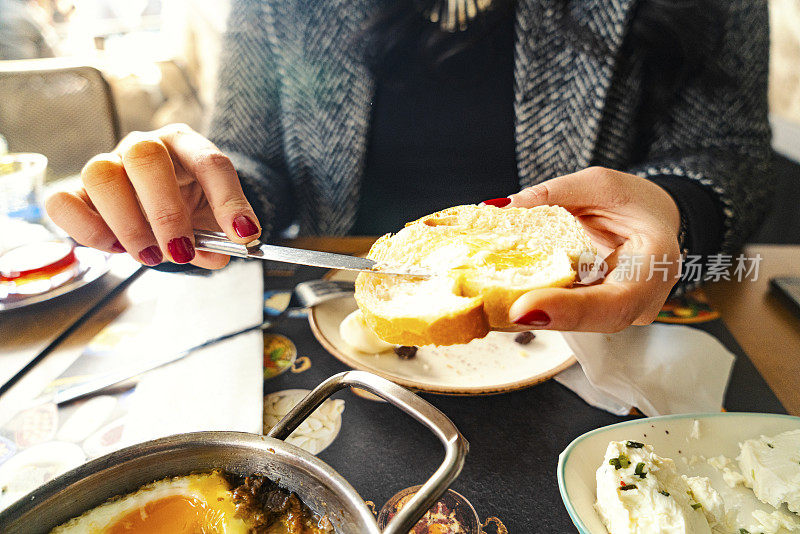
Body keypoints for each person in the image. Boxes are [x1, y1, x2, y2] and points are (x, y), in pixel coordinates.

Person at [45, 0, 773, 333]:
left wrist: (674, 209)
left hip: (619, 347)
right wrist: (199, 205)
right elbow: (254, 155)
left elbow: (731, 153)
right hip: (339, 336)